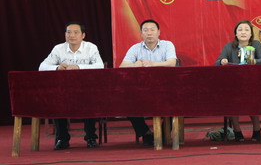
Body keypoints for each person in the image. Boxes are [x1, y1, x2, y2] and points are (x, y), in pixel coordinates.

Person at [39, 22, 104, 150]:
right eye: (68, 32)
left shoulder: (91, 48)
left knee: (91, 100)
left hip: (86, 89)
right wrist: (57, 67)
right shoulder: (58, 49)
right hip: (64, 90)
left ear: (83, 35)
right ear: (65, 35)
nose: (71, 35)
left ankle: (90, 137)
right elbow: (42, 66)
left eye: (75, 32)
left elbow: (100, 66)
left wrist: (78, 67)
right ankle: (62, 139)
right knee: (57, 102)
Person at [120, 19, 177, 145]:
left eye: (152, 30)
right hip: (141, 90)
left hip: (165, 89)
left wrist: (152, 63)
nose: (149, 33)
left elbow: (172, 63)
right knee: (127, 103)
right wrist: (135, 65)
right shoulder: (135, 48)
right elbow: (122, 66)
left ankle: (162, 134)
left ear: (159, 32)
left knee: (175, 102)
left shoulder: (167, 45)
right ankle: (145, 132)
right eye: (146, 30)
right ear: (141, 33)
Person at [215, 20, 261, 142]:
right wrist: (222, 61)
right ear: (236, 34)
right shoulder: (229, 46)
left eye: (246, 30)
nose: (243, 32)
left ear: (251, 34)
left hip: (252, 83)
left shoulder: (255, 44)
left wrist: (254, 61)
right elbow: (217, 62)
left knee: (252, 98)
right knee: (231, 99)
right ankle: (237, 131)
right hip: (234, 84)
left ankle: (256, 129)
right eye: (240, 30)